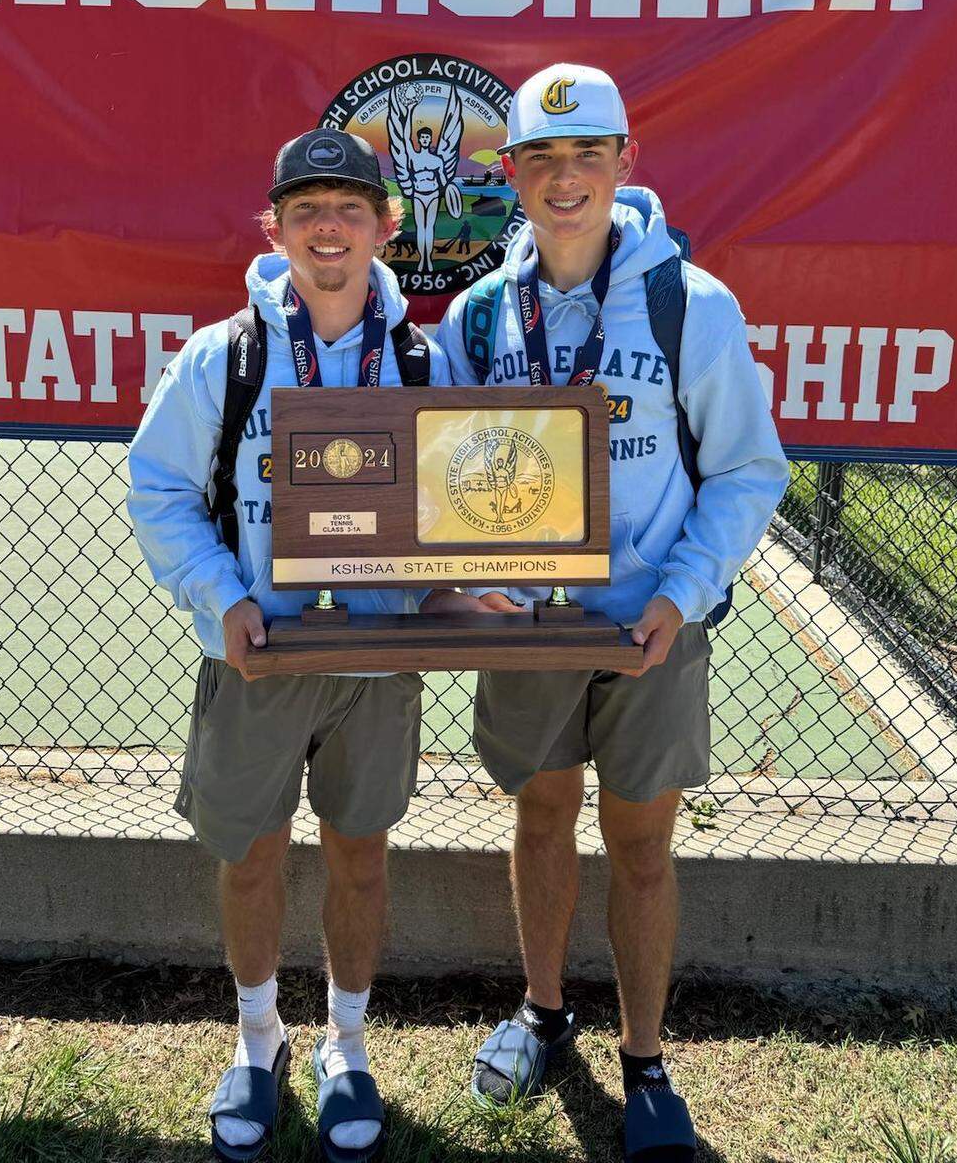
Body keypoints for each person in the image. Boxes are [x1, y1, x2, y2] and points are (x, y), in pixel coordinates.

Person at [434, 64, 790, 1160]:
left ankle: (645, 1059)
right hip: (530, 626)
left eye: (588, 153)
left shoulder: (692, 301)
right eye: (541, 157)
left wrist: (682, 597)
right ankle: (544, 1012)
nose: (565, 177)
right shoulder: (481, 315)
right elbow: (445, 472)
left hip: (650, 632)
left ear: (627, 162)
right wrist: (457, 569)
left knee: (641, 843)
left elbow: (746, 470)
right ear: (513, 175)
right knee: (542, 813)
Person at [126, 129, 450, 1163]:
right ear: (275, 226)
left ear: (387, 230)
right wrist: (222, 596)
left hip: (376, 665)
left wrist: (479, 576)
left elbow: (462, 505)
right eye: (305, 206)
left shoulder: (423, 361)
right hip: (257, 657)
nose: (327, 225)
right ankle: (258, 1036)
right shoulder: (227, 355)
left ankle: (346, 1045)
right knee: (252, 854)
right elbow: (159, 488)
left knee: (360, 852)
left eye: (350, 207)